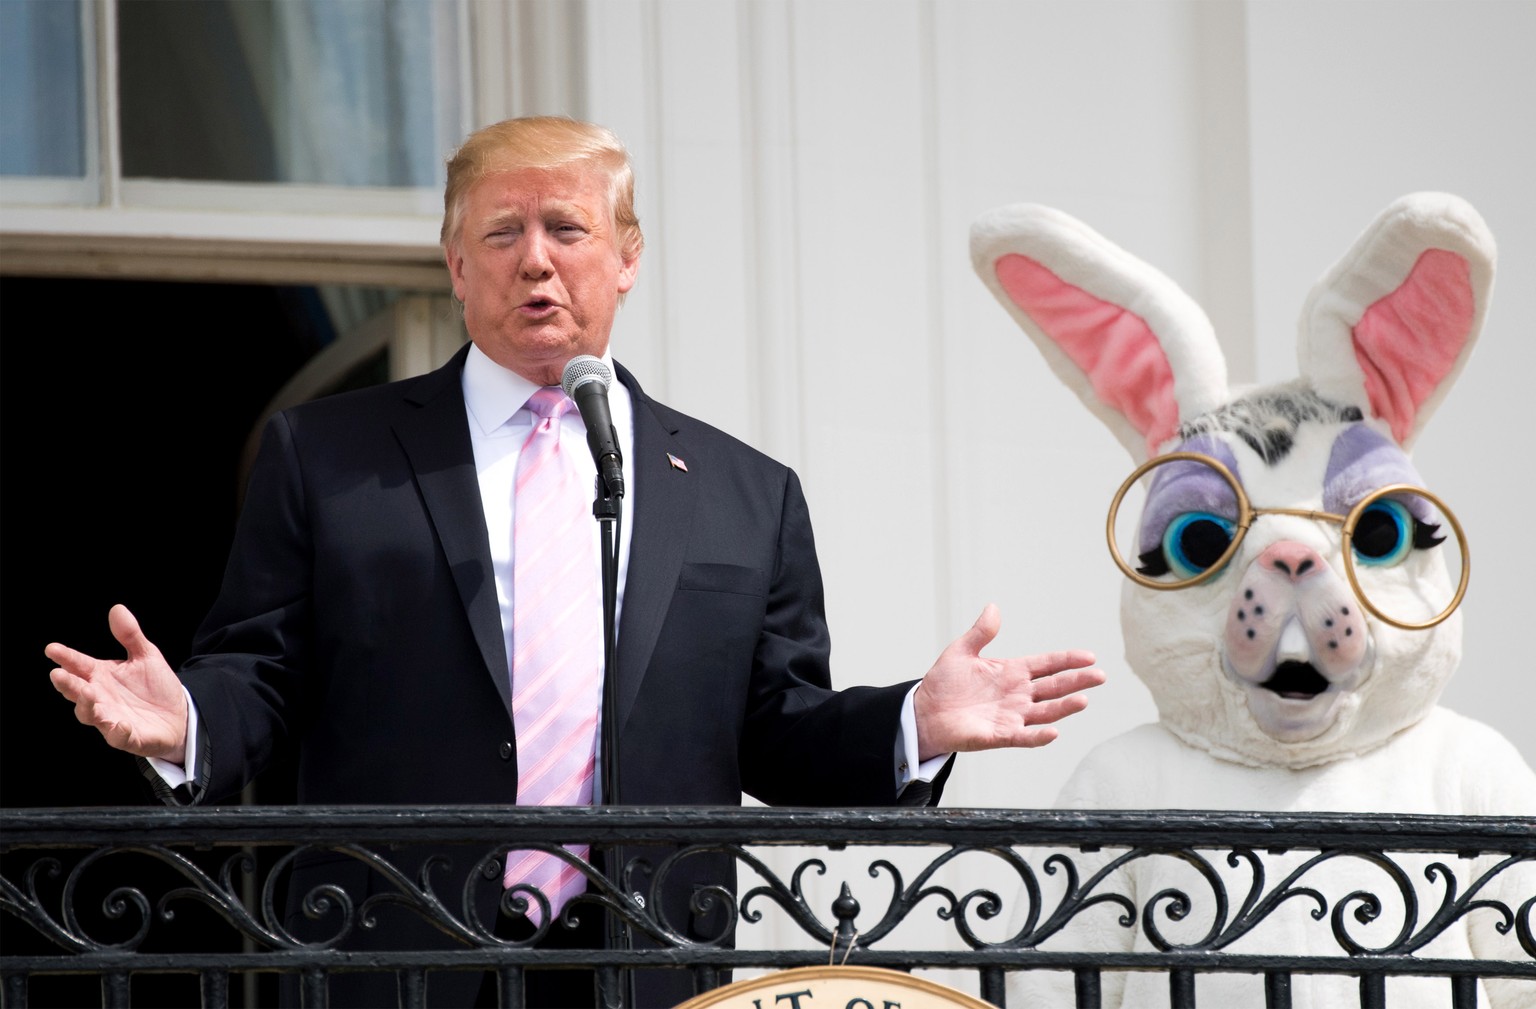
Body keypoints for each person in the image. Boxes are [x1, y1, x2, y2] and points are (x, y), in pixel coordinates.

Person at [45, 116, 1105, 1008]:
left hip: (647, 959)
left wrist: (911, 721)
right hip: (390, 952)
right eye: (500, 231)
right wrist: (189, 723)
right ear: (457, 266)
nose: (535, 258)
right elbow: (260, 675)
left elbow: (777, 730)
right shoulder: (328, 457)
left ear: (628, 257)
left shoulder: (745, 492)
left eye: (566, 227)